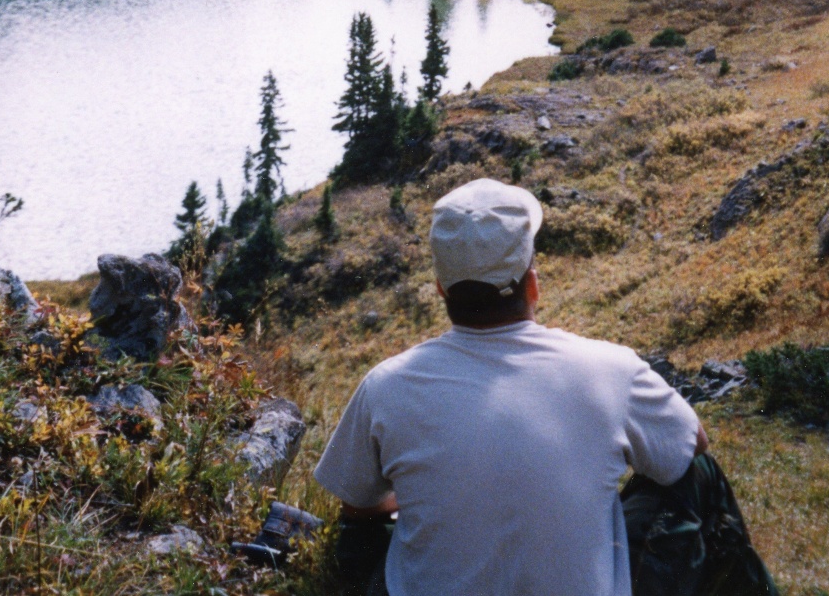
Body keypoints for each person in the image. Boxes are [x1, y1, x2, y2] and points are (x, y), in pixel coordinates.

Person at [313, 177, 776, 596]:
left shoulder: (385, 386)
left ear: (441, 289)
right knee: (699, 475)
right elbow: (693, 443)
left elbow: (357, 508)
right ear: (532, 284)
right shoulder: (612, 369)